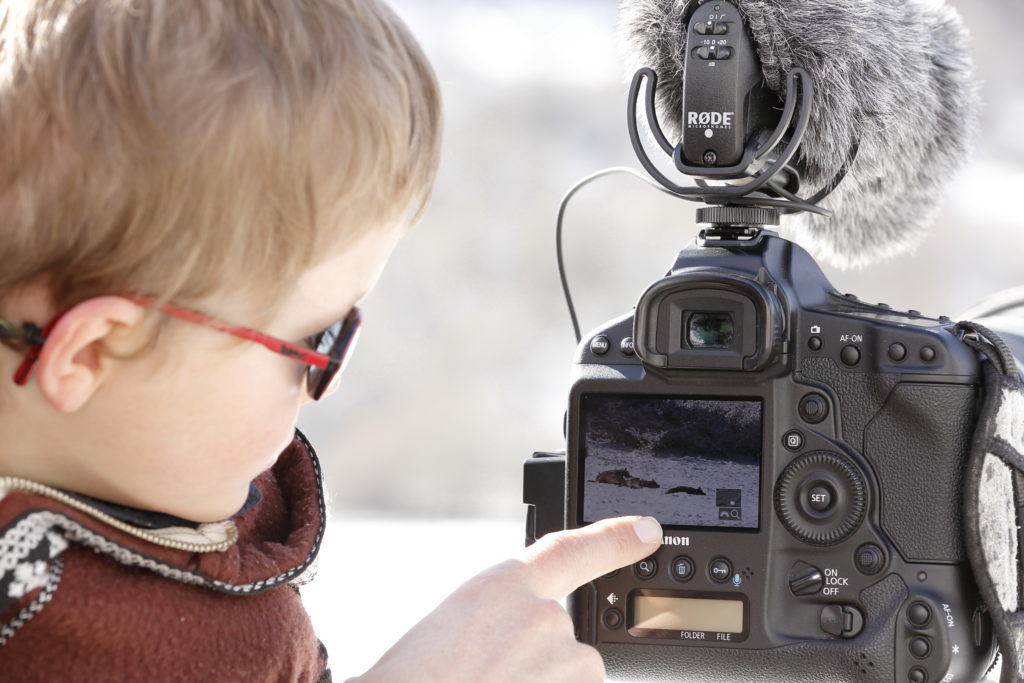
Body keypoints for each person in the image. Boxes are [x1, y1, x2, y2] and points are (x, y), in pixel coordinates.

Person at [0, 1, 663, 681]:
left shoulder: (151, 496)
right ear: (92, 352)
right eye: (316, 338)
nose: (333, 378)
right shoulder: (44, 626)